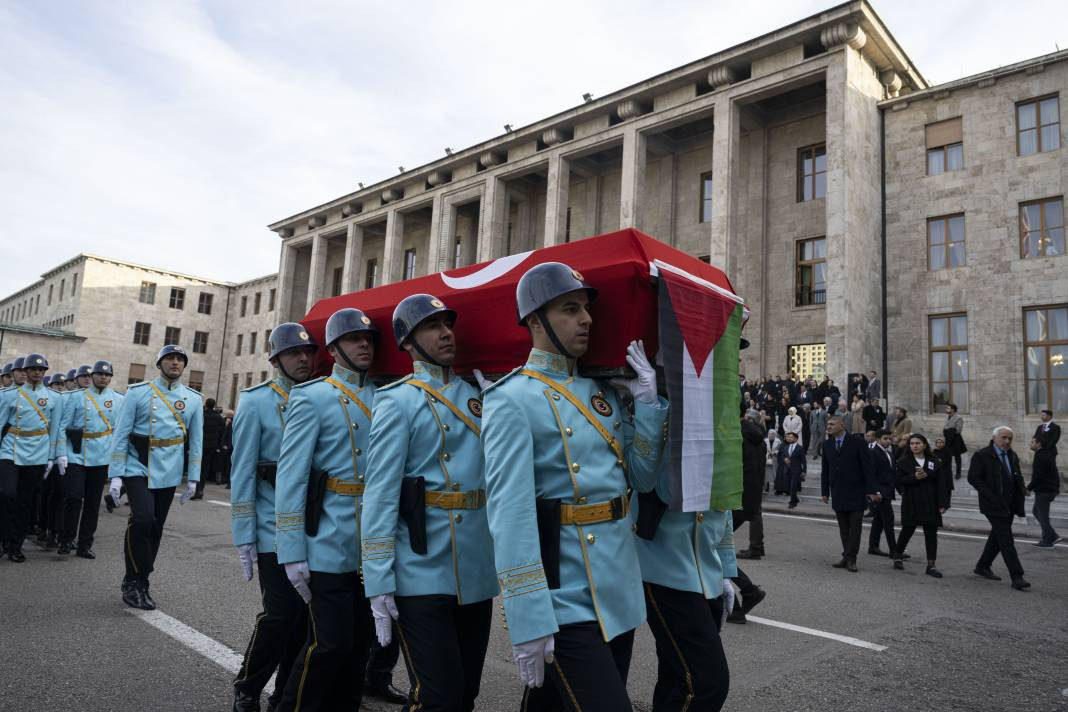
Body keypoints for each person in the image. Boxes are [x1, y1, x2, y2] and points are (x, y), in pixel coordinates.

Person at [481, 262, 668, 711]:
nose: (586, 319)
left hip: (615, 586)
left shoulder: (600, 394)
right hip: (562, 597)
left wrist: (646, 404)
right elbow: (511, 517)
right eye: (570, 309)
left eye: (586, 308)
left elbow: (640, 479)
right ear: (534, 320)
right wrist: (527, 618)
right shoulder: (510, 399)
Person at [362, 294, 497, 712]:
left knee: (466, 695)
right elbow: (380, 495)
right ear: (407, 342)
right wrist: (379, 579)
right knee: (437, 697)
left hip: (474, 568)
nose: (445, 334)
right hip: (420, 567)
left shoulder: (479, 396)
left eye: (447, 325)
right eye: (431, 327)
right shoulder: (396, 401)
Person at [273, 308, 377, 711]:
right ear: (333, 349)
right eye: (354, 339)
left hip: (373, 541)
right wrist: (292, 550)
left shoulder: (385, 396)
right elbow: (292, 477)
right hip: (328, 539)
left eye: (369, 339)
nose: (365, 345)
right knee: (328, 644)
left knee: (358, 646)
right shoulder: (311, 397)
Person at [230, 323, 319, 712]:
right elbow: (243, 470)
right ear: (275, 359)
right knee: (280, 615)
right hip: (271, 527)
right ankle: (247, 685)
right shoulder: (256, 402)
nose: (303, 359)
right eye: (294, 353)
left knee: (305, 620)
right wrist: (244, 533)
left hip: (315, 527)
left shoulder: (320, 397)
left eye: (308, 352)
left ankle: (284, 693)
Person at [109, 344, 204, 609]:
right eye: (170, 359)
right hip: (138, 465)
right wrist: (116, 475)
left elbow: (195, 442)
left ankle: (143, 581)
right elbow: (120, 435)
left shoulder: (193, 398)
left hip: (169, 468)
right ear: (159, 363)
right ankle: (131, 581)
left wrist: (193, 477)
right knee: (142, 518)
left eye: (180, 360)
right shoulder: (138, 393)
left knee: (156, 527)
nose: (175, 363)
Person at [0, 354, 64, 562]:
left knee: (25, 501)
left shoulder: (55, 398)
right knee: (7, 494)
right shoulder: (10, 395)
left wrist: (52, 457)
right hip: (11, 448)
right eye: (33, 370)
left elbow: (55, 430)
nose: (37, 373)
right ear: (25, 372)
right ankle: (4, 538)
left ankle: (15, 546)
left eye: (41, 370)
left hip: (38, 452)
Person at [57, 360, 123, 558]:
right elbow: (63, 426)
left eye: (107, 374)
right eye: (99, 374)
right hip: (77, 454)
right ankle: (66, 539)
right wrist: (61, 453)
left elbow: (120, 431)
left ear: (110, 377)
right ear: (92, 376)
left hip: (102, 456)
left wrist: (117, 461)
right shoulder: (76, 397)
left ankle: (85, 543)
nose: (103, 377)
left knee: (93, 503)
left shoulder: (118, 400)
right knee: (74, 497)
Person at [967, 427, 1029, 590]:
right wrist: (991, 495)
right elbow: (973, 478)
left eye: (1010, 438)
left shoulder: (1012, 454)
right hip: (993, 504)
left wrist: (1022, 489)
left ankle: (982, 566)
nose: (1007, 441)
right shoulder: (982, 455)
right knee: (1006, 539)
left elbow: (1017, 475)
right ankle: (1017, 576)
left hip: (1010, 503)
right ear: (994, 438)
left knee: (997, 535)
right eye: (1004, 438)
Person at [820, 416, 880, 572]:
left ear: (842, 425)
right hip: (838, 492)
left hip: (856, 492)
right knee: (844, 528)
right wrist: (825, 492)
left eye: (832, 424)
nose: (829, 426)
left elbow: (868, 468)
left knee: (855, 527)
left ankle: (851, 558)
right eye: (827, 424)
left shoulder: (857, 442)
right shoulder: (827, 445)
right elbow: (825, 471)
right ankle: (846, 556)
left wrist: (872, 490)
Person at [730, 408, 768, 624]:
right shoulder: (756, 436)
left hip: (733, 499)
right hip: (747, 500)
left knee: (709, 550)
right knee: (714, 549)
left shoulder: (735, 433)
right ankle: (743, 594)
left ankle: (745, 592)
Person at [892, 434, 948, 577]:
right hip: (912, 501)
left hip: (930, 502)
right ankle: (897, 555)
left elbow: (941, 484)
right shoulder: (903, 462)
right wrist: (913, 478)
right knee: (908, 529)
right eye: (912, 443)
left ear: (924, 445)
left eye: (918, 443)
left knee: (931, 533)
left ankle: (931, 565)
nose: (915, 446)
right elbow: (898, 482)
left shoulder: (935, 461)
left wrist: (943, 503)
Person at [738, 410, 767, 559]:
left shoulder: (746, 435)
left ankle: (755, 548)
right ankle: (757, 545)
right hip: (757, 478)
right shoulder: (759, 437)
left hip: (749, 478)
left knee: (752, 512)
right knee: (757, 511)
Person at [867, 430, 898, 557]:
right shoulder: (873, 453)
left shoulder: (889, 453)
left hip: (888, 492)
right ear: (878, 439)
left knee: (879, 520)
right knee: (889, 520)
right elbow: (871, 474)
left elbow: (891, 473)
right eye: (885, 438)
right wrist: (875, 492)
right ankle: (894, 550)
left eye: (890, 439)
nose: (888, 441)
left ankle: (873, 546)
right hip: (880, 493)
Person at [1027, 435, 1061, 547]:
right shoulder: (1044, 454)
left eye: (1032, 442)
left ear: (1039, 443)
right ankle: (1053, 535)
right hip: (1048, 488)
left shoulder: (1041, 456)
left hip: (1045, 490)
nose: (1030, 444)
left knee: (1042, 515)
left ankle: (1047, 540)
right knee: (1036, 512)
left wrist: (1028, 488)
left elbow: (1038, 476)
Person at [192, 398, 227, 499]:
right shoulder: (219, 418)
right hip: (212, 446)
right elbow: (222, 433)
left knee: (197, 466)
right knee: (205, 468)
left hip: (199, 445)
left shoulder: (201, 415)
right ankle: (200, 489)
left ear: (206, 405)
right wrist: (219, 446)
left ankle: (196, 489)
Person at [776, 431, 806, 509]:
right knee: (790, 487)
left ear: (796, 439)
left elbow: (804, 461)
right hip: (787, 470)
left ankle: (792, 503)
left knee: (793, 487)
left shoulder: (800, 448)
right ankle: (796, 499)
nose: (789, 438)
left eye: (791, 437)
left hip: (796, 470)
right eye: (788, 437)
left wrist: (804, 471)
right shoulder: (786, 447)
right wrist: (784, 459)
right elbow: (782, 455)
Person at [942, 404, 967, 480]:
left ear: (952, 409)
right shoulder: (947, 417)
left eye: (948, 408)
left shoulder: (958, 418)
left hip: (956, 440)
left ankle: (958, 473)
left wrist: (949, 430)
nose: (946, 409)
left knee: (957, 457)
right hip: (948, 439)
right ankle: (947, 472)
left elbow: (958, 430)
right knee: (947, 456)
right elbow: (945, 427)